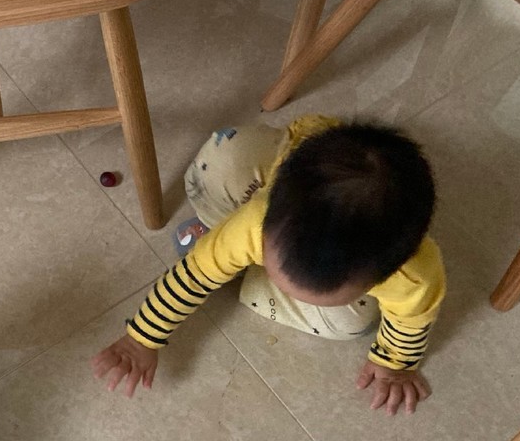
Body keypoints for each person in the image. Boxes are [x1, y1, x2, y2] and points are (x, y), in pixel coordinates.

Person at [93, 116, 446, 416]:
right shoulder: (257, 219)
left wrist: (394, 365)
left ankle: (230, 254)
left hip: (291, 199)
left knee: (353, 323)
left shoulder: (414, 275)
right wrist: (142, 338)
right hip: (275, 163)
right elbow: (193, 275)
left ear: (386, 272)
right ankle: (228, 247)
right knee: (225, 155)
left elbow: (411, 322)